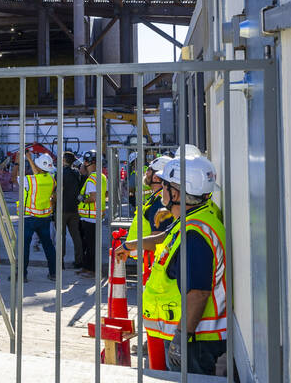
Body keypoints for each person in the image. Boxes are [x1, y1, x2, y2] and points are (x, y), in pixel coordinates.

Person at [116, 154, 225, 376]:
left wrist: (180, 339)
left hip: (193, 337)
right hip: (191, 334)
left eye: (164, 185)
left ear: (175, 193)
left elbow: (198, 293)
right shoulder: (197, 216)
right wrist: (130, 245)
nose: (160, 191)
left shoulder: (194, 235)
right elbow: (166, 236)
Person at [125, 154, 174, 370]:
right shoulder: (155, 199)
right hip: (147, 259)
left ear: (157, 177)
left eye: (149, 170)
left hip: (154, 260)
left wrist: (131, 246)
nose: (145, 173)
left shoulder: (158, 205)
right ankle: (153, 342)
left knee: (156, 306)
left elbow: (159, 237)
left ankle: (158, 345)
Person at [20, 150, 58, 282]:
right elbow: (40, 174)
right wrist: (30, 159)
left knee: (24, 247)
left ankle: (22, 275)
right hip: (44, 218)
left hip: (29, 217)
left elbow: (16, 178)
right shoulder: (52, 180)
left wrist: (19, 162)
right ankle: (53, 273)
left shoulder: (28, 180)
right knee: (48, 246)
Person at [77, 150, 107, 278]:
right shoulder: (101, 176)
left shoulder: (91, 179)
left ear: (87, 163)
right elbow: (105, 195)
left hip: (90, 217)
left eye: (83, 163)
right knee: (90, 245)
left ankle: (93, 270)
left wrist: (82, 199)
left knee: (91, 245)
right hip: (96, 216)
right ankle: (87, 268)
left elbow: (93, 197)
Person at [56, 151, 83, 269]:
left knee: (61, 237)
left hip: (62, 209)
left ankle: (60, 262)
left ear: (64, 160)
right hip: (74, 209)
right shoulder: (77, 173)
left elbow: (57, 191)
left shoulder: (60, 173)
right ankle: (79, 261)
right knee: (76, 236)